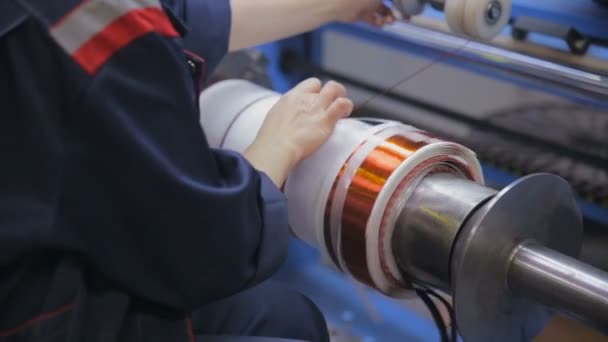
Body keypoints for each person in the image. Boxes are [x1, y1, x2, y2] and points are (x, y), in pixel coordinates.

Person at [0, 0, 394, 341]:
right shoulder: (87, 21)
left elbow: (183, 19)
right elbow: (203, 247)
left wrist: (343, 5)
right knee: (291, 325)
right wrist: (279, 146)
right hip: (36, 319)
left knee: (284, 312)